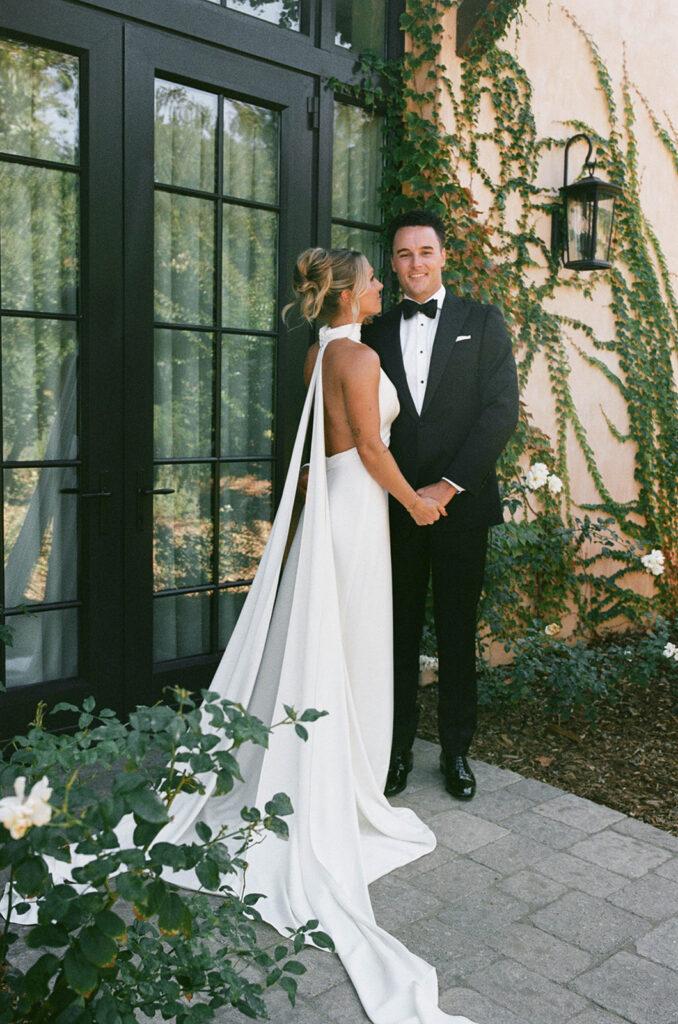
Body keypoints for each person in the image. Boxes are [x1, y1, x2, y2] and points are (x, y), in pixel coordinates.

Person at [363, 210, 519, 802]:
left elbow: (499, 412)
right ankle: (397, 748)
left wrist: (448, 486)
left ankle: (456, 752)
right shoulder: (373, 332)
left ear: (444, 256)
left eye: (425, 251)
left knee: (456, 631)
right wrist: (407, 493)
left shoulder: (482, 321)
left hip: (461, 508)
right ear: (393, 262)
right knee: (395, 632)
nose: (415, 264)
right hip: (394, 508)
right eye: (403, 254)